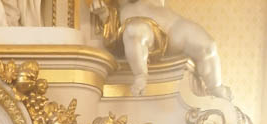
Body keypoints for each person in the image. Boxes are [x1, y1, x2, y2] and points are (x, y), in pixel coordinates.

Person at [90, 0, 231, 99]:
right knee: (135, 32)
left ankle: (215, 87)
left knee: (206, 44)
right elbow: (112, 35)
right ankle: (140, 75)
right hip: (141, 25)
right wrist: (103, 15)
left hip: (171, 25)